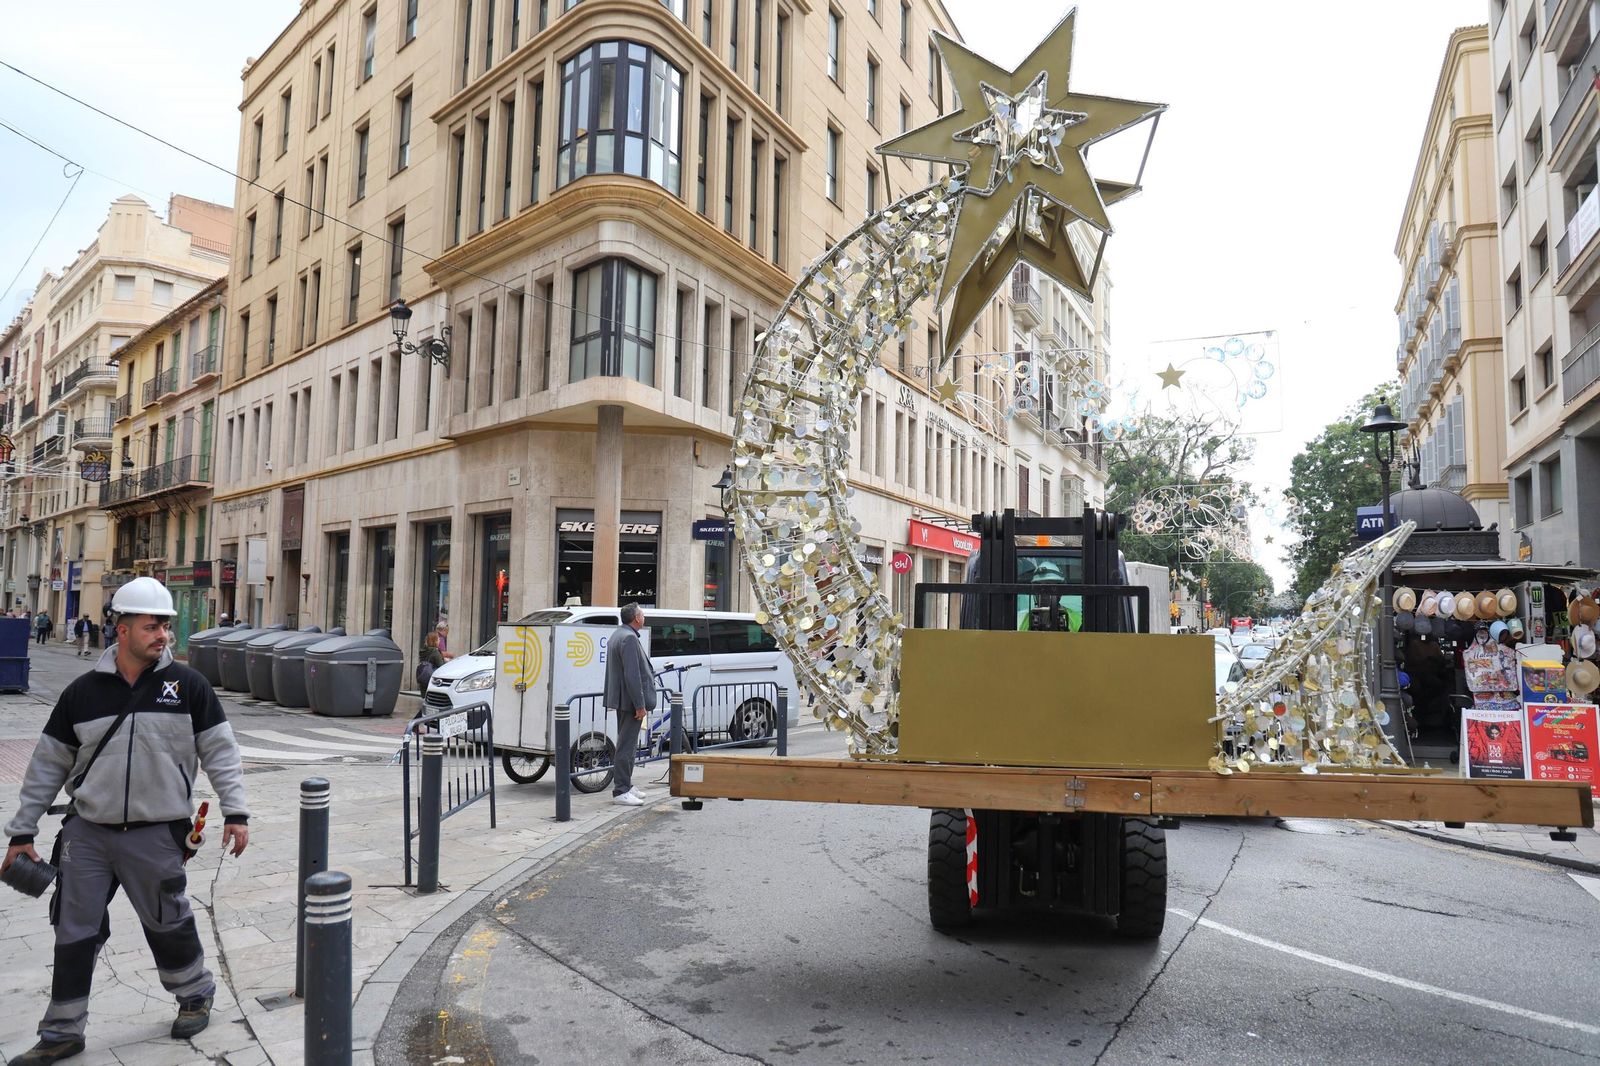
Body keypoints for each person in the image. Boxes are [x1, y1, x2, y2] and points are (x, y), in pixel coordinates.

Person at [1, 576, 250, 1064]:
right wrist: (21, 832)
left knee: (167, 921)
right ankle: (62, 1031)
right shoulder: (82, 693)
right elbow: (47, 765)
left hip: (157, 833)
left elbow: (221, 753)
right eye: (152, 626)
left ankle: (194, 994)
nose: (163, 635)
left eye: (165, 626)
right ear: (122, 628)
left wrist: (236, 812)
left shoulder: (189, 687)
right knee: (74, 931)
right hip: (88, 834)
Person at [603, 603, 656, 807]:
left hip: (623, 699)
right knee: (627, 746)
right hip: (630, 702)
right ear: (636, 618)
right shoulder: (629, 638)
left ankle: (626, 785)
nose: (644, 617)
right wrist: (640, 705)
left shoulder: (619, 634)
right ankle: (621, 790)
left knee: (628, 744)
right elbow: (632, 675)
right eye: (642, 614)